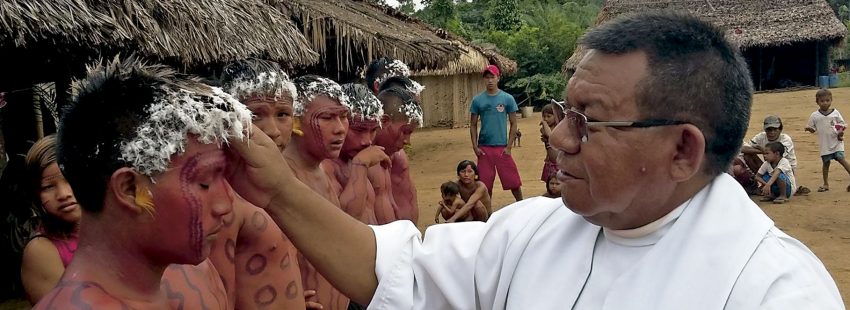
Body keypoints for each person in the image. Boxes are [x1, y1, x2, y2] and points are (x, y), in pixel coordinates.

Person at [223, 12, 843, 309]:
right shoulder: (533, 230)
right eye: (561, 112)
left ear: (683, 148)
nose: (559, 139)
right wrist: (275, 187)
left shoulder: (772, 291)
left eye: (588, 122)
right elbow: (397, 272)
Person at [35, 57, 247, 309]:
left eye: (223, 177)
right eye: (204, 183)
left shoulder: (192, 274)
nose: (225, 204)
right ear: (129, 189)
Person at [217, 59, 314, 309]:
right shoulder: (221, 201)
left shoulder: (286, 183)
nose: (272, 130)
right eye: (255, 115)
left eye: (282, 114)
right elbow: (217, 296)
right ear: (230, 118)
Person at [284, 75, 352, 310]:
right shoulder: (281, 181)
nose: (340, 129)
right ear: (295, 122)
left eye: (343, 116)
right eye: (327, 118)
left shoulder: (323, 169)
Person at [20, 134, 81, 305]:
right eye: (48, 187)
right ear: (36, 195)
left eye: (70, 179)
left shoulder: (115, 228)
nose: (63, 194)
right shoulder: (41, 251)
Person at [323, 83, 392, 225]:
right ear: (341, 123)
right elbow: (345, 223)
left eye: (373, 130)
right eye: (359, 130)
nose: (367, 141)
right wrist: (360, 165)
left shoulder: (363, 158)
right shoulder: (324, 166)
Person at [470, 64, 524, 201]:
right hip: (484, 148)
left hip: (502, 148)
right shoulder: (477, 100)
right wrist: (475, 147)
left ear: (498, 78)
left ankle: (523, 206)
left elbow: (513, 123)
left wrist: (509, 147)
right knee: (485, 186)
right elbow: (473, 124)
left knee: (514, 183)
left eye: (492, 77)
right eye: (486, 77)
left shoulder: (507, 99)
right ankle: (487, 216)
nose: (489, 80)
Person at [371, 86, 423, 224]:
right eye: (404, 131)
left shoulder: (391, 154)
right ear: (383, 121)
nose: (407, 141)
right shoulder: (358, 159)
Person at [741, 115, 807, 194]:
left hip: (784, 169)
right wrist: (763, 151)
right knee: (748, 156)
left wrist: (761, 149)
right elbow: (742, 148)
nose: (772, 132)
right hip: (770, 166)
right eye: (769, 129)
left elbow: (776, 157)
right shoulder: (761, 136)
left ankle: (779, 188)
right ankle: (765, 185)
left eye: (775, 129)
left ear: (780, 129)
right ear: (765, 130)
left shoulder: (786, 139)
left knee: (776, 167)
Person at [805, 88, 850, 192]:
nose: (825, 103)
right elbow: (813, 129)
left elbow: (842, 125)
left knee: (841, 159)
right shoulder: (814, 116)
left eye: (827, 100)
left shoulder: (835, 113)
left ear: (831, 100)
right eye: (822, 101)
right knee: (826, 163)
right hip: (825, 144)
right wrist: (809, 129)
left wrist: (840, 133)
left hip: (836, 142)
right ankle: (825, 184)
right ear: (817, 102)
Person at [539, 103, 559, 183]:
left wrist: (544, 123)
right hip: (550, 162)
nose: (546, 119)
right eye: (544, 117)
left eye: (549, 116)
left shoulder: (558, 128)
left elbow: (551, 135)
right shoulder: (544, 129)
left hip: (559, 162)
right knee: (550, 183)